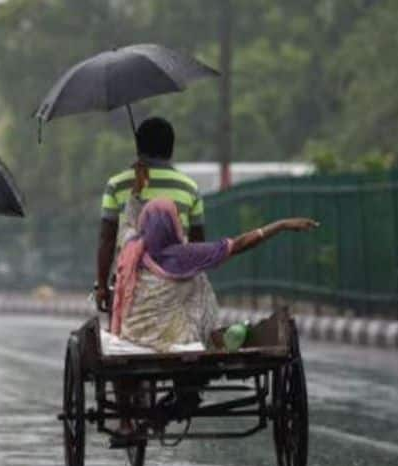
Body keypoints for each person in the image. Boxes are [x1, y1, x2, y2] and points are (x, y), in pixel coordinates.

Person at [109, 199, 317, 433]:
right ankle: (181, 401)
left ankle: (127, 420)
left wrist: (134, 193)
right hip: (177, 341)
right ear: (173, 225)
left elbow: (125, 224)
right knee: (198, 281)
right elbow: (239, 244)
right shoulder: (186, 255)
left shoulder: (130, 252)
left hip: (134, 337)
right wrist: (281, 225)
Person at [96, 117, 205, 313]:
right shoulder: (190, 188)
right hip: (177, 287)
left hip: (130, 288)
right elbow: (198, 244)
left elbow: (107, 239)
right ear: (171, 149)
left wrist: (102, 287)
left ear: (138, 147)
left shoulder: (117, 185)